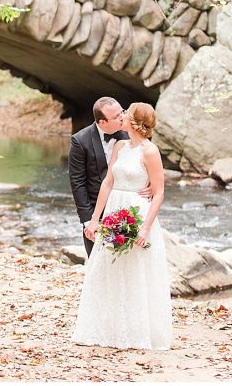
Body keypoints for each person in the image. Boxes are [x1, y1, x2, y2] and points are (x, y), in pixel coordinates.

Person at [73, 102, 172, 350]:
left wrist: (145, 228)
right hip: (114, 211)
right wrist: (95, 220)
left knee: (136, 272)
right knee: (107, 270)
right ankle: (108, 329)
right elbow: (107, 183)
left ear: (135, 122)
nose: (122, 115)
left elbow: (159, 193)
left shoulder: (150, 152)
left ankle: (136, 333)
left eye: (126, 113)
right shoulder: (120, 145)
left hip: (137, 213)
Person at [68, 96, 152, 255]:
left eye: (122, 112)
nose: (122, 118)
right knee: (96, 261)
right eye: (116, 117)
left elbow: (146, 166)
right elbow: (77, 183)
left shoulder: (130, 134)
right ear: (102, 122)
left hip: (128, 210)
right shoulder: (80, 141)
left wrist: (151, 186)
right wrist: (88, 220)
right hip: (96, 211)